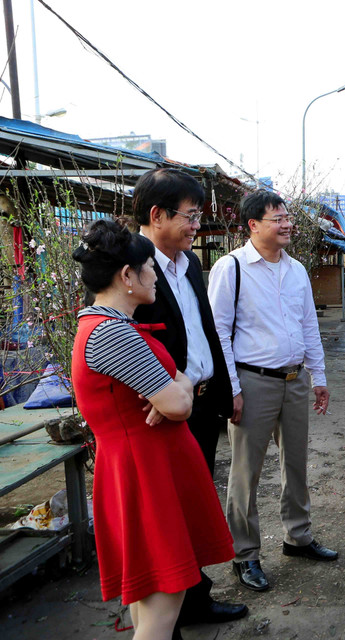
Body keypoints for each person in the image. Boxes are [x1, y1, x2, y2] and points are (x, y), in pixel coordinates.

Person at [70, 219, 234, 639]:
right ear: (127, 276)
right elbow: (180, 399)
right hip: (146, 474)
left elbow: (181, 385)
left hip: (142, 467)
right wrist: (177, 391)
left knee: (150, 600)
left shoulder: (110, 326)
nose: (156, 278)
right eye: (149, 270)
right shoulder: (111, 334)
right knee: (164, 604)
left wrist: (175, 390)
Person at [131, 168, 248, 631]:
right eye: (191, 215)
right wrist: (153, 392)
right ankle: (164, 622)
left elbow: (204, 332)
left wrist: (224, 390)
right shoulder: (133, 269)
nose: (197, 225)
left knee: (195, 509)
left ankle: (196, 601)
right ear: (157, 215)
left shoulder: (188, 264)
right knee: (165, 520)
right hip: (160, 412)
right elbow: (124, 339)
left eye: (199, 215)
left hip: (198, 406)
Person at [208, 190, 335, 592]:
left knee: (295, 463)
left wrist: (319, 376)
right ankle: (244, 554)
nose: (286, 224)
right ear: (252, 225)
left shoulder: (296, 269)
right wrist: (231, 388)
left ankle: (298, 537)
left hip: (295, 380)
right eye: (276, 218)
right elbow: (218, 334)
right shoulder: (232, 269)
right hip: (253, 382)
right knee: (246, 472)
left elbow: (308, 326)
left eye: (287, 217)